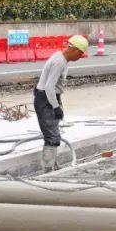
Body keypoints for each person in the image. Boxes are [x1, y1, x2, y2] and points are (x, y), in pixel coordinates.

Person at [34, 34, 89, 171]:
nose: (80, 56)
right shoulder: (59, 62)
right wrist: (56, 107)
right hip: (45, 99)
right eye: (80, 53)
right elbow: (48, 87)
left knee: (54, 132)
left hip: (51, 98)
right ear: (74, 49)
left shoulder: (62, 59)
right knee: (52, 136)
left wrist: (57, 104)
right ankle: (48, 170)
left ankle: (54, 165)